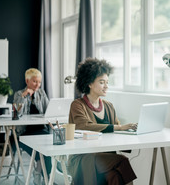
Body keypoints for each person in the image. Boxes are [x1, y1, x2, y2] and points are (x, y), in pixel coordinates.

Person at [68, 57, 137, 185]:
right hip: (84, 158)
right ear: (89, 83)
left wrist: (133, 134)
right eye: (101, 82)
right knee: (123, 161)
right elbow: (84, 126)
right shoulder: (77, 105)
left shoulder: (109, 106)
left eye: (107, 82)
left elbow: (117, 131)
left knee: (114, 176)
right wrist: (120, 127)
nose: (106, 86)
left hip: (106, 157)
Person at [12, 68, 52, 184]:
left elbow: (48, 110)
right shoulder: (19, 94)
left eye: (39, 82)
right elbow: (16, 114)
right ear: (27, 81)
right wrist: (24, 97)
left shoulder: (41, 93)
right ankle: (42, 175)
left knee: (47, 147)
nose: (37, 84)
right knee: (41, 149)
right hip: (25, 133)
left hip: (41, 130)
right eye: (35, 81)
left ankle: (39, 173)